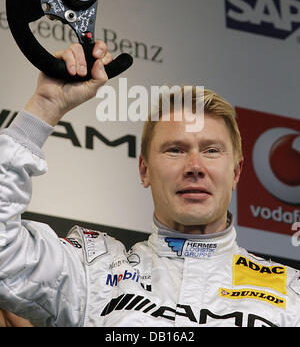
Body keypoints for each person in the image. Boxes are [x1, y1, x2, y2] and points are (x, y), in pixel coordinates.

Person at [0, 41, 299, 327]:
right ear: (144, 170)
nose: (195, 167)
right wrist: (45, 106)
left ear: (236, 172)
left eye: (211, 150)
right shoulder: (92, 271)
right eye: (175, 150)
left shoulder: (291, 294)